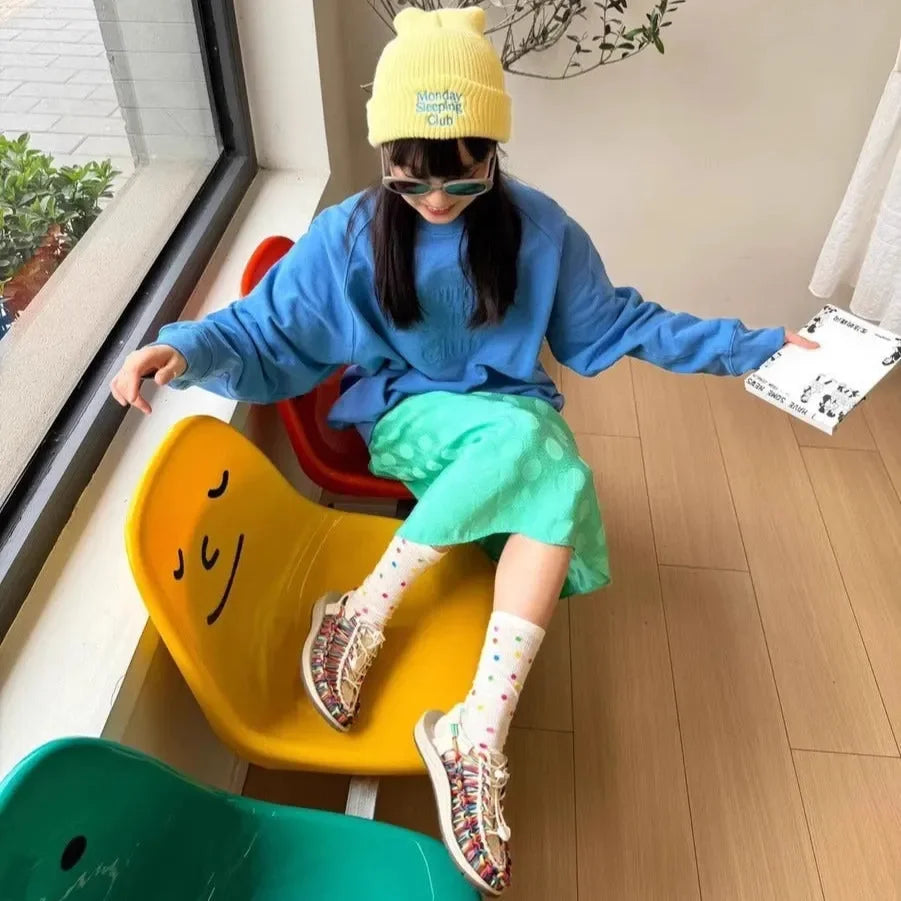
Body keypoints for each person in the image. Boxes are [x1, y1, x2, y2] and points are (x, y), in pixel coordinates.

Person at [110, 7, 816, 896]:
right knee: (542, 454)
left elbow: (625, 324)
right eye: (410, 179)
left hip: (510, 421)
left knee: (547, 464)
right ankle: (378, 634)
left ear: (493, 150)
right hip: (408, 418)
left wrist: (761, 349)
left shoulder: (542, 231)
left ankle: (474, 726)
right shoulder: (347, 235)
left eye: (462, 176)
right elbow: (263, 326)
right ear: (385, 155)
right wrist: (180, 347)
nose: (436, 201)